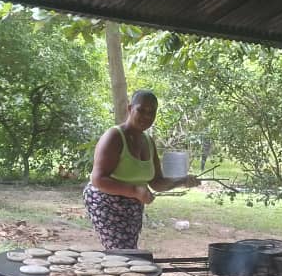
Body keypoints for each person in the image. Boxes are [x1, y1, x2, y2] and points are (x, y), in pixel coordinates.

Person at [84, 90, 199, 249]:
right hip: (105, 200)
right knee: (122, 252)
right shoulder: (114, 136)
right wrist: (135, 191)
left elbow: (156, 183)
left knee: (128, 250)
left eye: (152, 112)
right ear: (130, 108)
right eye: (141, 110)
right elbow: (98, 179)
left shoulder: (148, 141)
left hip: (133, 204)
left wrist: (183, 180)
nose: (147, 116)